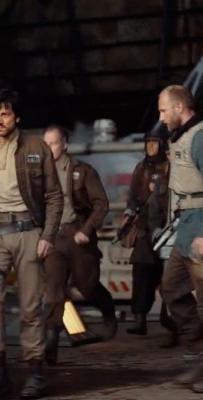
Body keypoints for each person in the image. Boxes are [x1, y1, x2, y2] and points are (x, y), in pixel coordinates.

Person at [0, 89, 63, 399]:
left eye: (4, 114)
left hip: (29, 231)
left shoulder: (36, 147)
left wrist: (47, 236)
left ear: (16, 116)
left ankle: (35, 372)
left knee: (30, 306)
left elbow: (54, 196)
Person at [41, 125, 115, 365]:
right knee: (53, 291)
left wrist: (87, 230)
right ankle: (51, 339)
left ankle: (107, 309)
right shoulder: (38, 173)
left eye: (53, 143)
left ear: (64, 145)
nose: (49, 148)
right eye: (45, 143)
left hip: (77, 234)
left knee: (87, 286)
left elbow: (101, 203)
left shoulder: (82, 171)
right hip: (53, 237)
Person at [158, 85, 203, 393]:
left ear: (179, 108)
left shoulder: (199, 137)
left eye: (163, 110)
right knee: (172, 289)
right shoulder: (178, 137)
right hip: (185, 225)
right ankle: (198, 354)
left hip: (200, 224)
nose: (161, 117)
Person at [123, 128, 178, 343]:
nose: (150, 147)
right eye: (148, 143)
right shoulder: (141, 168)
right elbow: (133, 196)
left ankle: (171, 325)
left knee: (169, 278)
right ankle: (140, 318)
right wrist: (129, 213)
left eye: (154, 143)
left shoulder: (171, 168)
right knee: (141, 272)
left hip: (169, 229)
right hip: (146, 228)